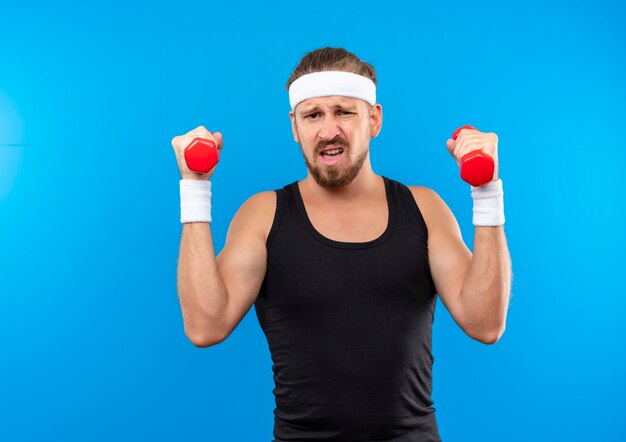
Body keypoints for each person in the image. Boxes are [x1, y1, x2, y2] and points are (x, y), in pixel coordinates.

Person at [171, 47, 512, 442]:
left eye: (343, 112)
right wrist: (195, 189)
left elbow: (486, 323)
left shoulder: (424, 208)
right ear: (295, 127)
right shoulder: (263, 216)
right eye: (312, 115)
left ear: (374, 119)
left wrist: (487, 193)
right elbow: (204, 327)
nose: (328, 130)